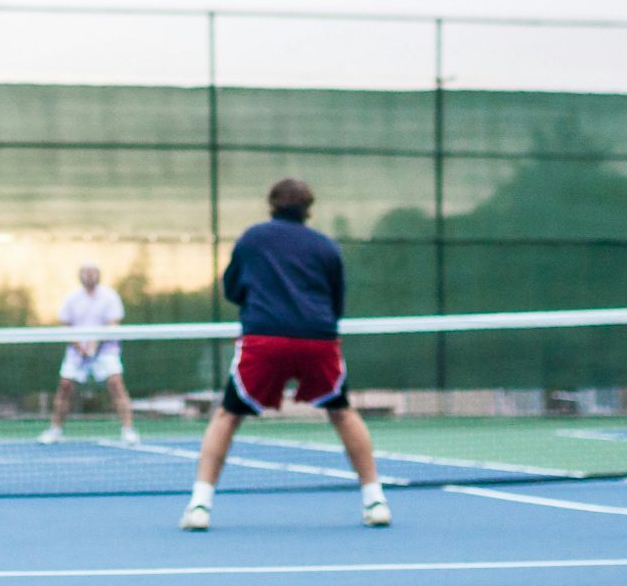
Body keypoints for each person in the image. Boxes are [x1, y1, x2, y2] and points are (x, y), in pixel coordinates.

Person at [179, 179, 389, 531]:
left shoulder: (252, 239)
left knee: (227, 416)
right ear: (309, 208)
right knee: (343, 413)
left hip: (265, 339)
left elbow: (232, 288)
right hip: (317, 339)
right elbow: (336, 302)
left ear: (271, 205)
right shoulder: (326, 247)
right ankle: (375, 500)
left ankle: (199, 505)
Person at [37, 263, 138, 446]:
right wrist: (80, 347)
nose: (90, 276)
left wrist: (95, 343)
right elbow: (67, 325)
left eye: (93, 273)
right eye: (86, 273)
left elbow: (113, 323)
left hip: (106, 350)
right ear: (80, 276)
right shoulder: (72, 298)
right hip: (77, 352)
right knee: (65, 386)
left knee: (116, 384)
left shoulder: (110, 296)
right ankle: (55, 430)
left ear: (98, 275)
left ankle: (128, 430)